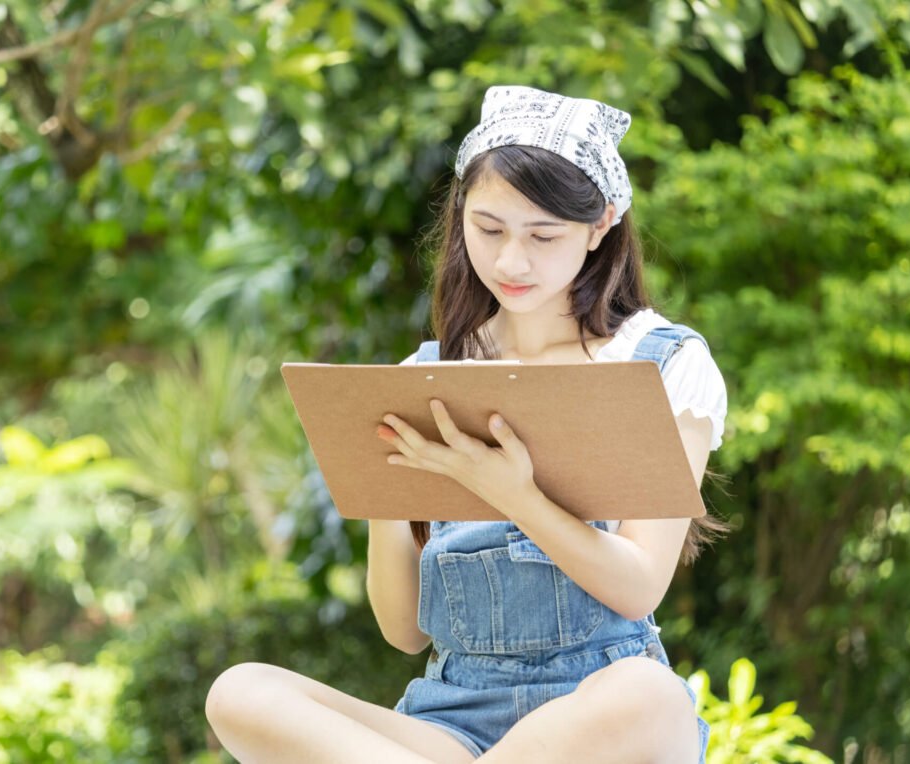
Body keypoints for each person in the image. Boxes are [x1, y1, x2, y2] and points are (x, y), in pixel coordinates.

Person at [205, 85, 727, 763]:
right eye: (489, 229)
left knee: (652, 695)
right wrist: (384, 483)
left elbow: (637, 588)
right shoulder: (423, 374)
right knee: (241, 691)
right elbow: (402, 631)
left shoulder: (662, 362)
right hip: (449, 724)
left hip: (602, 718)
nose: (513, 261)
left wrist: (514, 494)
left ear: (601, 225)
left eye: (544, 236)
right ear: (461, 217)